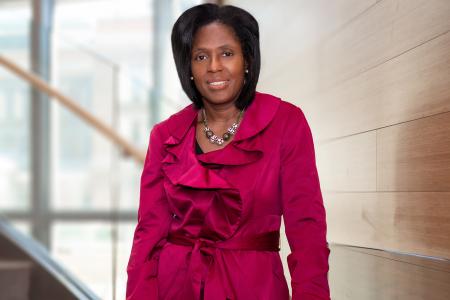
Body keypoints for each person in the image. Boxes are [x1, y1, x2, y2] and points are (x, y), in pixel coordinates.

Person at [126, 3, 330, 300]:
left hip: (254, 287)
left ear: (247, 59)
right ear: (189, 67)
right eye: (200, 56)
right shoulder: (165, 135)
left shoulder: (287, 122)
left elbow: (307, 231)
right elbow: (148, 235)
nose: (214, 67)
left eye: (226, 53)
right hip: (177, 287)